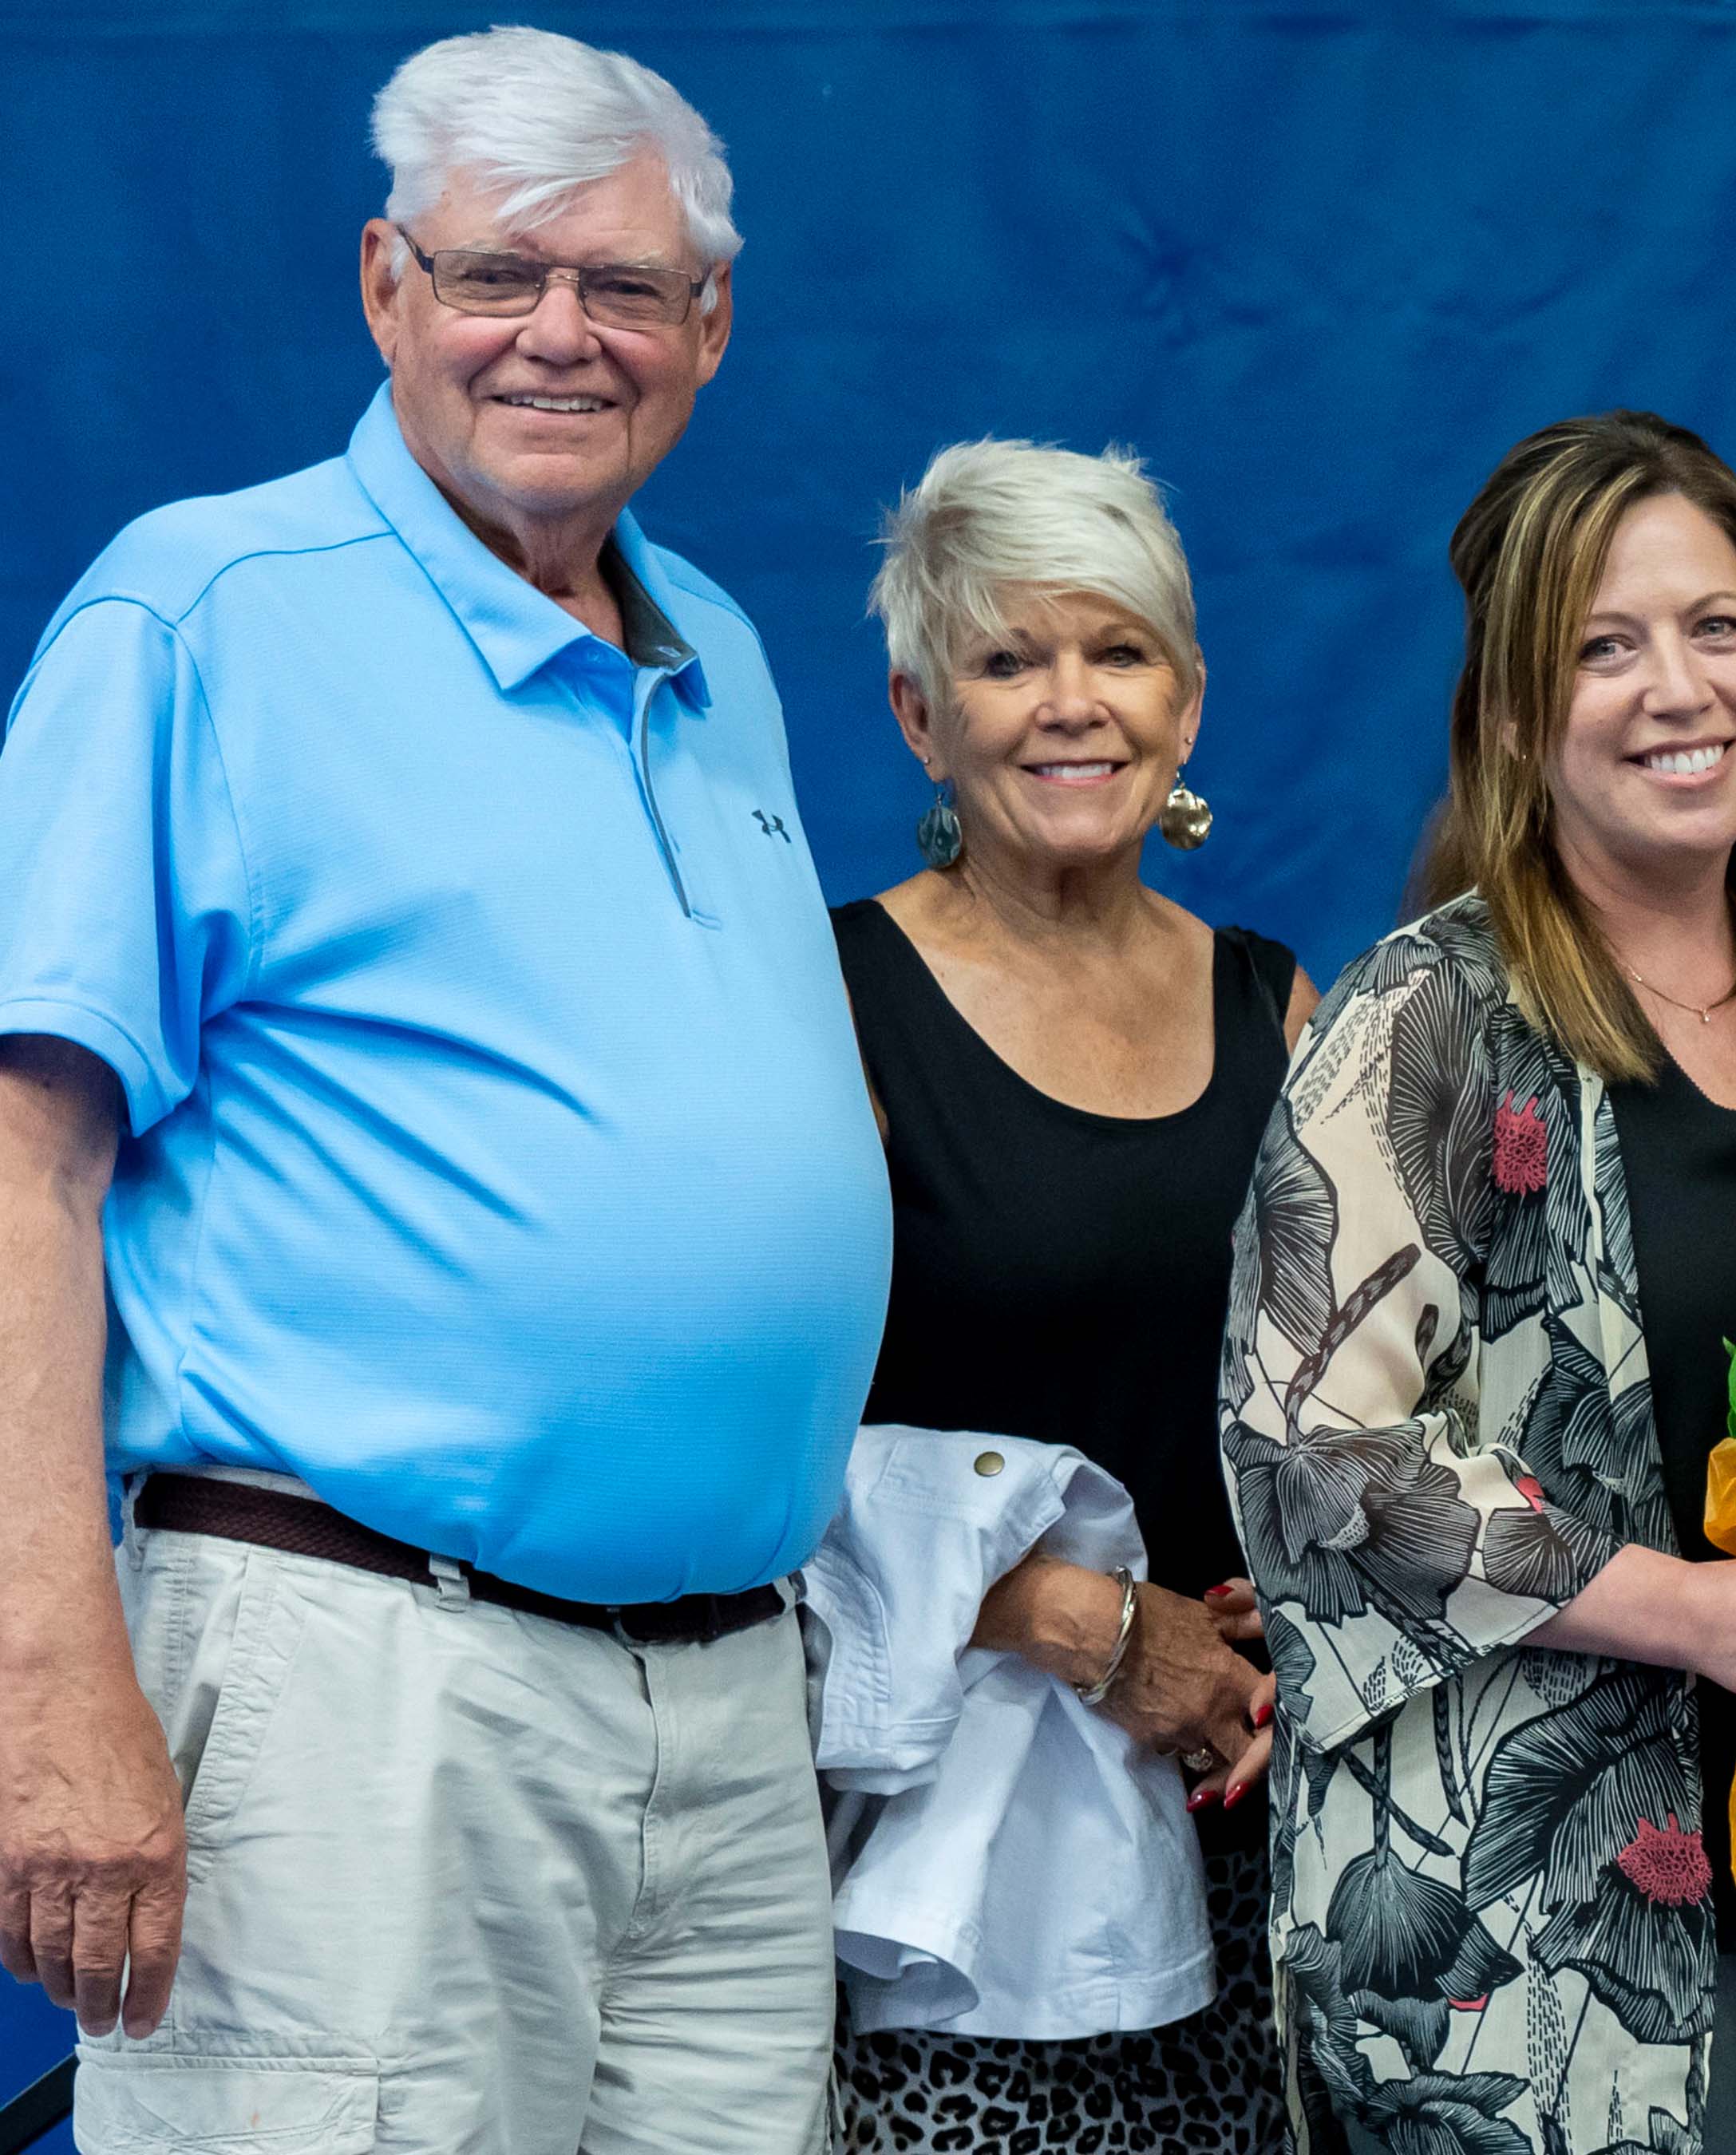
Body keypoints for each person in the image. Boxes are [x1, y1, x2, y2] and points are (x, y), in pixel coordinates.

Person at [0, 26, 886, 2149]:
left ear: (712, 326)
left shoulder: (729, 656)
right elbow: (25, 1177)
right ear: (387, 286)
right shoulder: (201, 614)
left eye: (627, 288)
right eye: (501, 276)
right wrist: (48, 1686)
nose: (560, 336)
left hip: (736, 1709)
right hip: (360, 1686)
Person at [1220, 410, 1736, 2155]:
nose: (1677, 688)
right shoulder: (1430, 1019)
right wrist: (1699, 1614)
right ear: (1513, 714)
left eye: (1717, 628)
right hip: (1529, 1947)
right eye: (1601, 650)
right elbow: (1310, 1456)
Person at [825, 438, 1319, 2150]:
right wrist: (1089, 1629)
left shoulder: (1282, 1009)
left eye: (1117, 653)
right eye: (1006, 659)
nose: (1069, 704)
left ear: (1184, 706)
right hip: (953, 1855)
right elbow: (752, 1455)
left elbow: (1360, 1408)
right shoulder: (831, 1005)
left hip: (1251, 1823)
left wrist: (1301, 1639)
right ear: (919, 718)